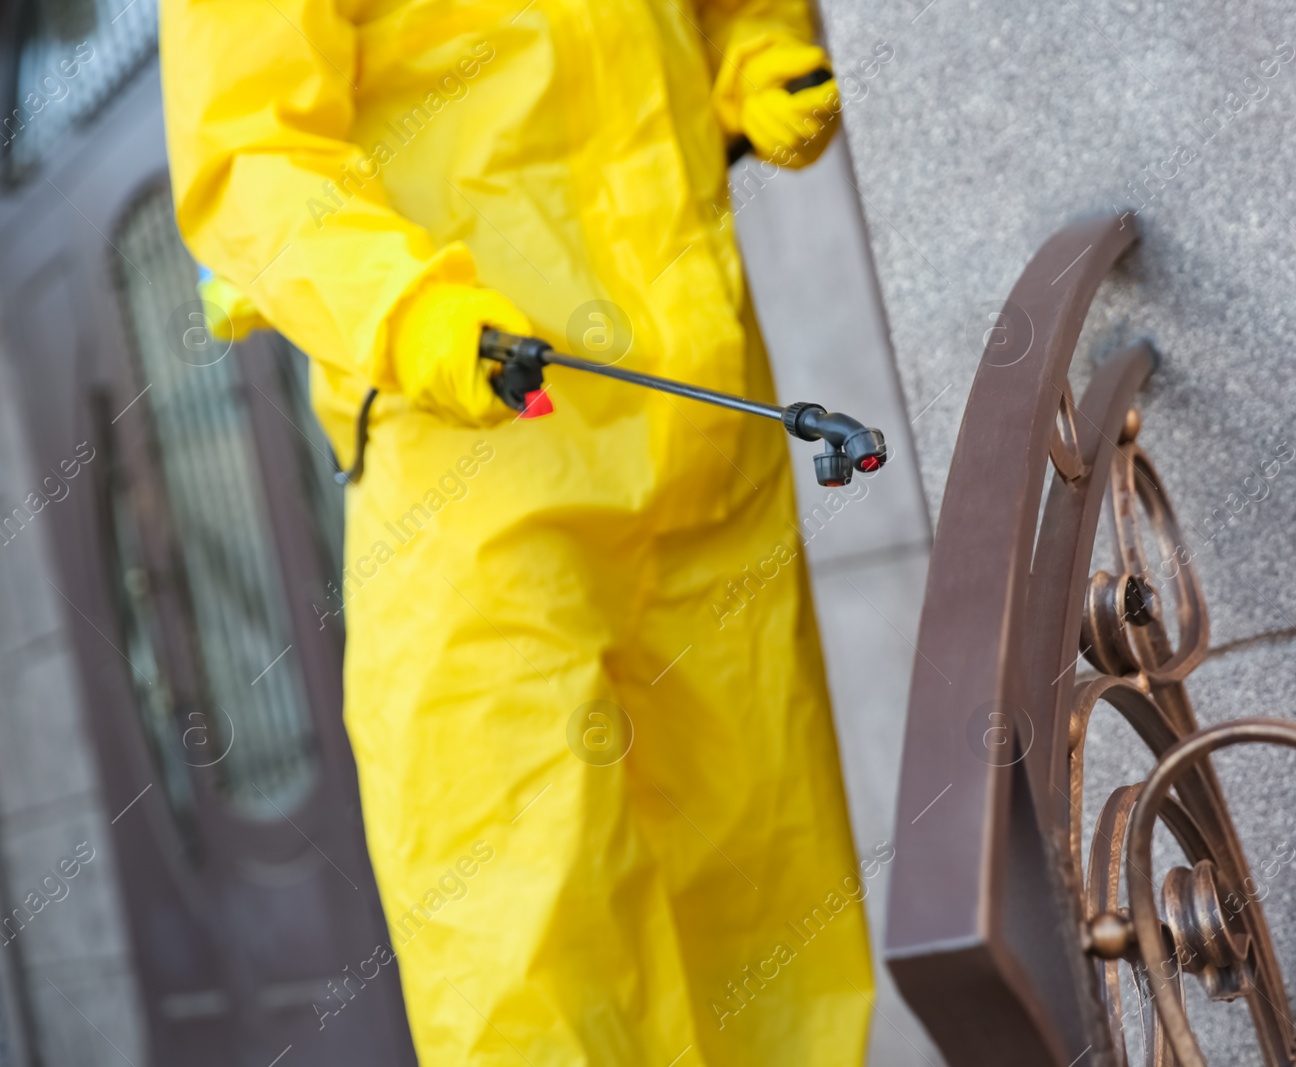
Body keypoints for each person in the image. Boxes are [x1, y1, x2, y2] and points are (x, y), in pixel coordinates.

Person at [160, 3, 871, 1064]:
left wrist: (755, 54)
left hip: (706, 434)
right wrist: (407, 310)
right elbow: (248, 150)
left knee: (769, 912)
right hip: (472, 452)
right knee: (529, 942)